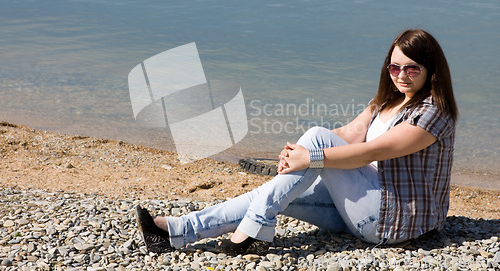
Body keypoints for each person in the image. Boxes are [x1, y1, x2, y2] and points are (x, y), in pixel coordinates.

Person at [135, 29, 458, 255]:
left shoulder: (432, 113)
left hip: (394, 221)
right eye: (394, 66)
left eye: (412, 68)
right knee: (270, 193)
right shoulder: (385, 102)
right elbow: (347, 136)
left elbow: (372, 151)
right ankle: (175, 231)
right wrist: (296, 155)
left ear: (431, 72)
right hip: (361, 206)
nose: (401, 75)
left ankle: (255, 229)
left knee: (315, 140)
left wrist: (310, 157)